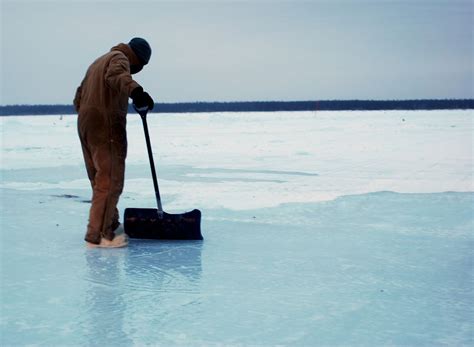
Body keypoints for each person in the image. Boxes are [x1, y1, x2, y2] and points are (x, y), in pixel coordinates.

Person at [74, 37, 155, 248]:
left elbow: (78, 97)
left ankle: (109, 222)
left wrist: (90, 115)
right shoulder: (120, 59)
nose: (137, 70)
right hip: (105, 123)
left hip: (86, 124)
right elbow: (117, 75)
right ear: (137, 58)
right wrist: (137, 92)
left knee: (100, 179)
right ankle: (101, 235)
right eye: (141, 66)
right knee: (110, 179)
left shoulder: (97, 62)